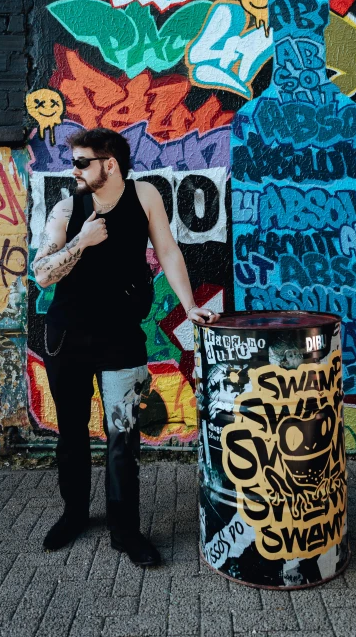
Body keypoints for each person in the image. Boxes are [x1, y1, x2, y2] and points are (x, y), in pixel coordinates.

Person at [32, 127, 220, 565]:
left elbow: (169, 251)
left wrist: (189, 306)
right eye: (72, 161)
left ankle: (125, 531)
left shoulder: (145, 196)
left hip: (120, 338)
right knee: (72, 433)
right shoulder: (67, 207)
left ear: (109, 164)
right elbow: (42, 273)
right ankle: (74, 514)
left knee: (123, 436)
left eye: (81, 162)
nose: (72, 169)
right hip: (69, 338)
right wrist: (82, 240)